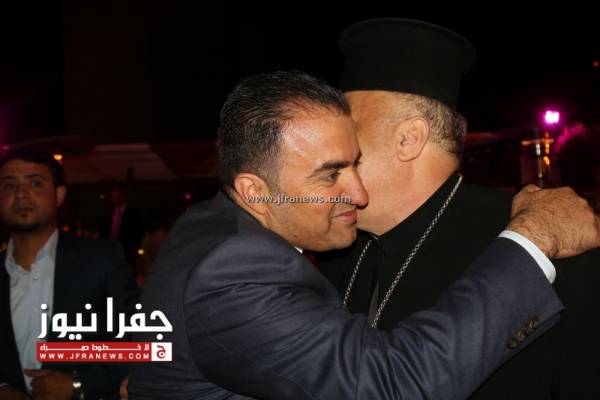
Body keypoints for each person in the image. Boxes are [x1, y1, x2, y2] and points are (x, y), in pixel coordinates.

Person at [127, 70, 600, 399]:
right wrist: (531, 240)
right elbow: (394, 384)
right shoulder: (233, 268)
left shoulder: (210, 226)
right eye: (330, 174)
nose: (357, 193)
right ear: (255, 191)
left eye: (356, 163)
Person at [320, 18, 600, 399]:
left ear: (409, 139)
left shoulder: (549, 243)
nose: (326, 151)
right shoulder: (337, 251)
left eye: (346, 134)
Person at [0, 150, 139, 400]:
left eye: (35, 183)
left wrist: (79, 384)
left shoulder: (101, 261)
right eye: (9, 185)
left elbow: (140, 343)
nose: (20, 194)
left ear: (59, 195)